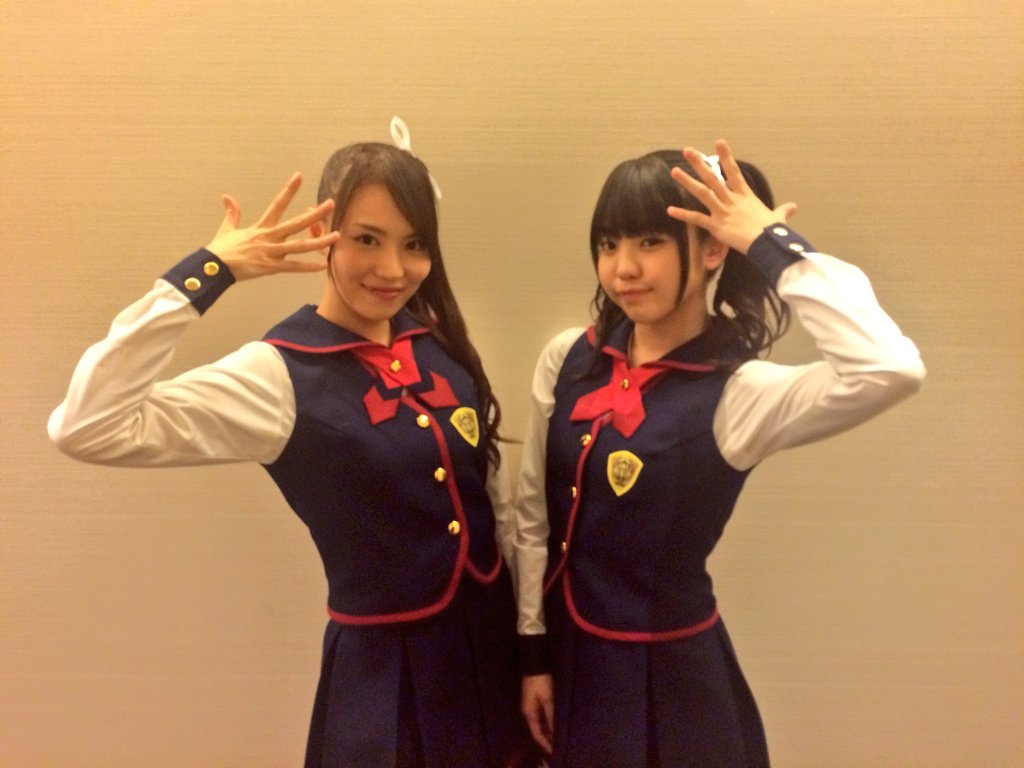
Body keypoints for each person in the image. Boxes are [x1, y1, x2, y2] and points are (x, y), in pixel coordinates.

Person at [48, 129, 532, 767]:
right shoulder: (276, 374)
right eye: (367, 239)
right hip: (387, 681)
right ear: (323, 232)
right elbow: (87, 425)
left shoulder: (439, 343)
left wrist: (533, 651)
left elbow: (492, 505)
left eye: (414, 244)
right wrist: (208, 273)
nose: (393, 270)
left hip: (491, 658)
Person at [515, 140, 926, 767]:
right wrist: (532, 653)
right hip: (569, 667)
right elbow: (531, 518)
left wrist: (770, 244)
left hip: (674, 686)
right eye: (608, 244)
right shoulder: (567, 357)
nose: (623, 268)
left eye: (650, 242)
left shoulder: (741, 394)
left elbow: (890, 369)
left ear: (712, 249)